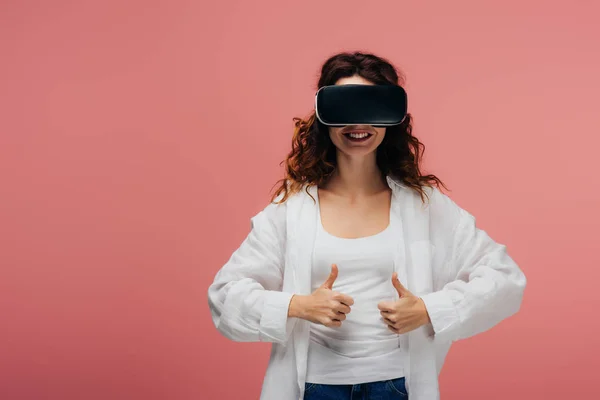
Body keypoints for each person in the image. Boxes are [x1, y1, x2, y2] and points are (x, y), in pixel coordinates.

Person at [207, 51, 527, 400]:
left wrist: (427, 310)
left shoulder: (423, 206)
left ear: (390, 118)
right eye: (345, 109)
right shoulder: (291, 209)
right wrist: (298, 306)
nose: (358, 125)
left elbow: (504, 277)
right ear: (324, 117)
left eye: (371, 108)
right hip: (314, 388)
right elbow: (225, 295)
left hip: (396, 386)